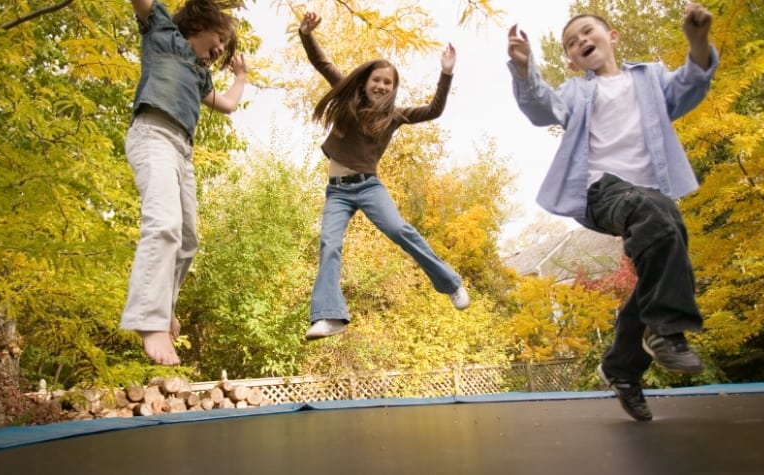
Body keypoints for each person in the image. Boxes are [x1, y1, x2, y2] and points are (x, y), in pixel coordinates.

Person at [506, 3, 717, 421]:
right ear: (569, 59)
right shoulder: (577, 91)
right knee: (655, 215)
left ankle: (621, 368)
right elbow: (540, 106)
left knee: (663, 249)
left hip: (651, 194)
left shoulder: (651, 79)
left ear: (612, 36)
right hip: (601, 190)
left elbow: (690, 85)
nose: (581, 41)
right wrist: (524, 69)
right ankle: (666, 331)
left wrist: (697, 41)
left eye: (588, 33)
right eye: (572, 42)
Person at [297, 12, 470, 341]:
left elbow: (434, 110)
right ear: (365, 81)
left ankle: (450, 283)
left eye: (387, 83)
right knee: (329, 244)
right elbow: (323, 63)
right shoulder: (347, 95)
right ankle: (329, 316)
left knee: (400, 230)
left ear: (393, 89)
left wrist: (445, 74)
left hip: (368, 187)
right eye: (376, 79)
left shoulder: (396, 116)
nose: (381, 86)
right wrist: (306, 34)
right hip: (337, 191)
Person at [121, 0, 247, 365]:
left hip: (182, 151)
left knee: (188, 239)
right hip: (152, 134)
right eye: (220, 38)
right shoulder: (163, 34)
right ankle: (150, 319)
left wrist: (241, 76)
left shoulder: (199, 73)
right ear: (198, 24)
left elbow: (225, 104)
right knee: (164, 224)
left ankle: (164, 308)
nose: (222, 48)